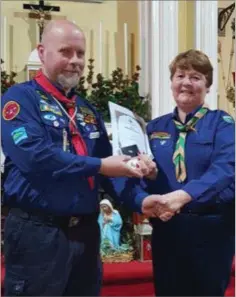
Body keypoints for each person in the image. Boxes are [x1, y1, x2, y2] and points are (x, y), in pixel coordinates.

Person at [1, 20, 159, 296]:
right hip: (38, 232)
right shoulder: (19, 99)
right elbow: (34, 158)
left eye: (81, 53)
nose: (75, 61)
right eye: (66, 52)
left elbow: (109, 170)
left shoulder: (86, 110)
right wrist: (101, 165)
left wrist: (143, 201)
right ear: (42, 52)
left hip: (85, 233)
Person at [137, 49, 235, 296]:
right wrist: (145, 180)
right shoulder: (155, 127)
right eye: (180, 75)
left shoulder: (222, 125)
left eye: (196, 77)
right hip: (168, 230)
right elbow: (145, 174)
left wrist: (182, 196)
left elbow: (225, 169)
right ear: (172, 82)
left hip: (210, 231)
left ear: (207, 86)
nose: (186, 83)